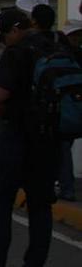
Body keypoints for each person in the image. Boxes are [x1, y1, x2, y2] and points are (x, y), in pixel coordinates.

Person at [0, 7, 59, 267]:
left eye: (5, 36)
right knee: (41, 207)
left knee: (1, 204)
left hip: (14, 137)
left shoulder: (17, 53)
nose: (4, 43)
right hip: (47, 140)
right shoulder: (56, 46)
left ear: (14, 30)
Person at [57, 19, 82, 201]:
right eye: (75, 35)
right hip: (66, 108)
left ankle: (66, 186)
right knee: (63, 147)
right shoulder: (63, 56)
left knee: (63, 147)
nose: (77, 38)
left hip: (72, 108)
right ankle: (66, 186)